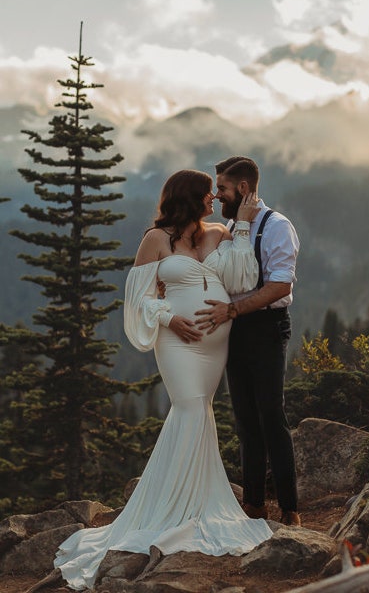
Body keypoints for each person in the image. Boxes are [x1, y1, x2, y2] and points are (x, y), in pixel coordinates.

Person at [53, 169, 272, 591]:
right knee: (189, 407)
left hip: (213, 346)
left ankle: (196, 502)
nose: (213, 200)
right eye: (207, 194)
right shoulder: (155, 240)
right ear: (188, 198)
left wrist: (241, 226)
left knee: (200, 409)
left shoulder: (219, 235)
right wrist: (170, 318)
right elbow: (138, 301)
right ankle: (170, 510)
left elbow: (243, 278)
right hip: (177, 342)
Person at [194, 157, 301, 527]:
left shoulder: (277, 227)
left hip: (267, 328)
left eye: (221, 187)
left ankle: (290, 510)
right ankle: (254, 506)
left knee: (272, 416)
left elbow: (280, 285)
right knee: (244, 420)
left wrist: (233, 311)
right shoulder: (231, 225)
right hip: (234, 330)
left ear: (241, 189)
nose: (216, 193)